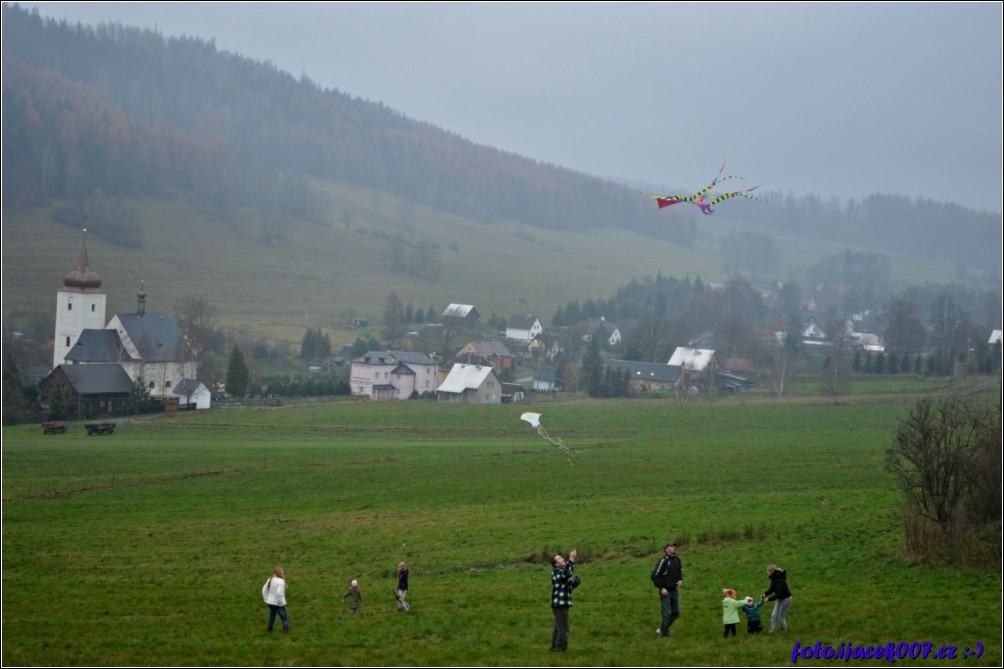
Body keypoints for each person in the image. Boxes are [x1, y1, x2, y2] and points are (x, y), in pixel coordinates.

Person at [549, 549, 580, 651]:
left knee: (558, 628)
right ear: (556, 564)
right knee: (564, 629)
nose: (562, 559)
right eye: (559, 559)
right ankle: (560, 649)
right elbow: (567, 574)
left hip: (561, 604)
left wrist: (575, 583)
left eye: (561, 557)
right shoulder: (556, 572)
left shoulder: (562, 572)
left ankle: (554, 647)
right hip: (560, 605)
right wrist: (571, 559)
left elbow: (566, 587)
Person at [651, 541, 683, 638]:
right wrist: (661, 588)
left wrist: (680, 580)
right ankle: (665, 636)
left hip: (674, 590)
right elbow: (654, 575)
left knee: (676, 612)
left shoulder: (677, 560)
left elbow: (679, 572)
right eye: (671, 546)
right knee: (666, 614)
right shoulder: (664, 561)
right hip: (665, 591)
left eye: (674, 546)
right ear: (666, 549)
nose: (674, 548)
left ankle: (662, 629)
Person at [762, 563, 792, 633]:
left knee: (781, 617)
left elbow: (779, 594)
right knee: (774, 615)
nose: (767, 572)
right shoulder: (774, 578)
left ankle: (784, 633)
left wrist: (768, 599)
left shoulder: (780, 580)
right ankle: (771, 632)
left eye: (768, 571)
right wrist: (764, 594)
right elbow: (771, 589)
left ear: (772, 571)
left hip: (786, 599)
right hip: (780, 598)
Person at [261, 566, 289, 634]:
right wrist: (282, 603)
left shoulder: (270, 579)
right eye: (282, 571)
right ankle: (285, 631)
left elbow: (264, 589)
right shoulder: (281, 581)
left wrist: (266, 599)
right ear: (279, 572)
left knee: (271, 617)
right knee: (284, 618)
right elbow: (279, 593)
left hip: (270, 603)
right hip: (278, 604)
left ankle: (269, 630)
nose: (283, 572)